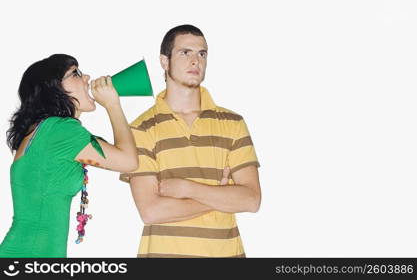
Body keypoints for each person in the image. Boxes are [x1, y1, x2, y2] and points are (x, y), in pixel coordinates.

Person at [120, 25, 261, 258]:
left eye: (202, 54)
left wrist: (188, 189)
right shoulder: (141, 128)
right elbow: (152, 211)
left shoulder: (233, 123)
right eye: (185, 52)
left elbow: (251, 199)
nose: (195, 61)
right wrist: (221, 195)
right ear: (164, 62)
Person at [0, 54, 138, 258]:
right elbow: (129, 161)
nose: (87, 77)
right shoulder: (59, 131)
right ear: (53, 89)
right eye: (75, 73)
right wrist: (112, 104)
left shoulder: (47, 131)